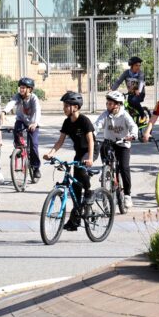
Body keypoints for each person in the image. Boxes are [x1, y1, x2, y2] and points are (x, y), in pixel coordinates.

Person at [43, 92, 96, 231]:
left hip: (90, 150)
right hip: (79, 152)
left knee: (81, 170)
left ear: (76, 107)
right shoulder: (67, 122)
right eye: (64, 106)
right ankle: (75, 219)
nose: (64, 108)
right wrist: (50, 154)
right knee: (75, 187)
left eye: (67, 106)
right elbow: (60, 142)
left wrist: (90, 158)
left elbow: (91, 140)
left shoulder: (84, 120)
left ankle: (89, 192)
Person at [94, 91, 138, 210]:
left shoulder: (125, 115)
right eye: (107, 103)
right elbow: (97, 125)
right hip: (109, 143)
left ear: (118, 105)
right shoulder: (106, 114)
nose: (108, 106)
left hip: (123, 144)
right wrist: (91, 134)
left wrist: (133, 135)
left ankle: (127, 195)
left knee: (124, 168)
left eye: (110, 104)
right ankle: (108, 173)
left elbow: (133, 126)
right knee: (105, 155)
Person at [0, 77, 42, 179]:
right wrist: (4, 111)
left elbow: (37, 110)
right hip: (22, 121)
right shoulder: (18, 96)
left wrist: (35, 123)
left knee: (34, 145)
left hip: (33, 123)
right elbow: (12, 103)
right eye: (20, 87)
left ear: (30, 89)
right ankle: (18, 148)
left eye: (24, 88)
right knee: (17, 128)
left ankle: (36, 167)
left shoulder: (33, 98)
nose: (21, 90)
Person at [111, 56, 147, 123]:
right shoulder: (126, 73)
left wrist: (138, 90)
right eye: (136, 65)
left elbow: (141, 82)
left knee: (134, 101)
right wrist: (112, 90)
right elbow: (118, 81)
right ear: (131, 66)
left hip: (140, 93)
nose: (138, 67)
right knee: (128, 104)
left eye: (139, 65)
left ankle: (143, 115)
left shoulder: (140, 73)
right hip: (131, 93)